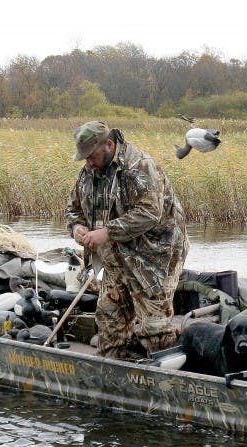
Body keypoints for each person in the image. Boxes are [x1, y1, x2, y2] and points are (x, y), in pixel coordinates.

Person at [66, 121, 189, 359]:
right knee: (109, 320)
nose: (87, 162)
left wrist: (106, 232)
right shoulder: (89, 172)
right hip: (117, 260)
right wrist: (77, 227)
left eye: (91, 155)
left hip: (154, 260)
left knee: (155, 330)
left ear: (109, 145)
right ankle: (115, 377)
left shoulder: (139, 167)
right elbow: (73, 208)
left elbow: (150, 213)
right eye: (84, 157)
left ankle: (167, 381)